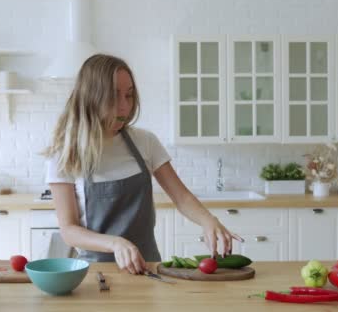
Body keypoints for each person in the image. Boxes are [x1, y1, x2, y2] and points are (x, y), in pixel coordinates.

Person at [43, 54, 243, 275]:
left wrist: (208, 220)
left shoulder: (145, 142)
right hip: (96, 274)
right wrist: (115, 243)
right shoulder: (66, 154)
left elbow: (182, 198)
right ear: (92, 98)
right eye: (113, 97)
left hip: (146, 269)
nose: (124, 107)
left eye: (129, 95)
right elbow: (69, 230)